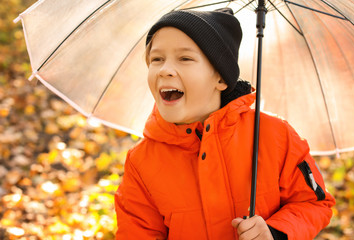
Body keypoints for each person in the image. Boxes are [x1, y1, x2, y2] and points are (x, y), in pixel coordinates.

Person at [114, 8, 335, 240]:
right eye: (156, 59)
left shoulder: (275, 136)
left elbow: (314, 202)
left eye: (185, 58)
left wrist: (275, 232)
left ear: (220, 77)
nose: (165, 70)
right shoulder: (142, 162)